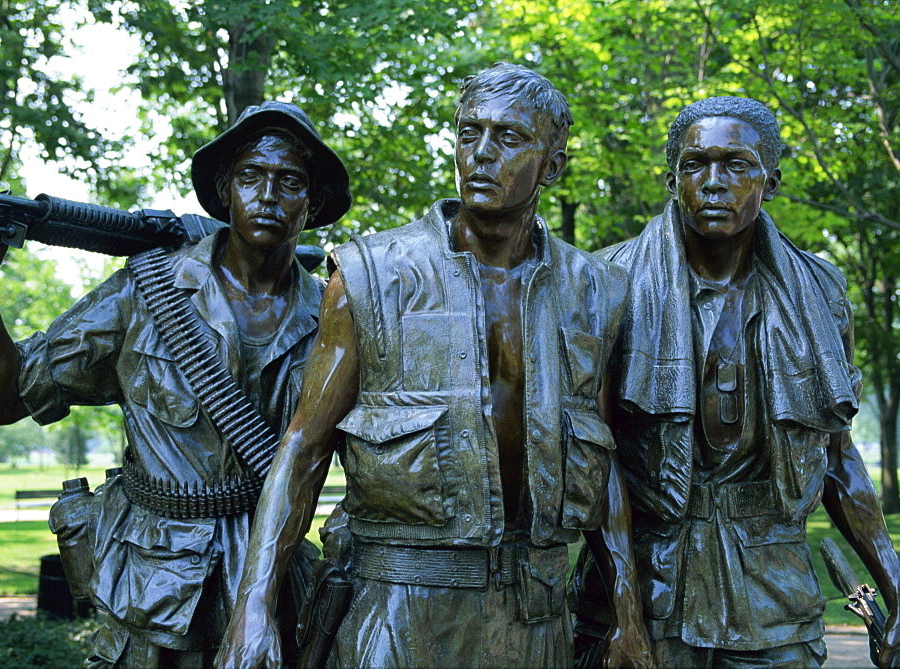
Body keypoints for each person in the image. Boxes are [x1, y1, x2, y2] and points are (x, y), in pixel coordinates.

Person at [216, 63, 652, 669]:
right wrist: (254, 606)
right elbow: (303, 447)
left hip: (535, 617)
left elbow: (599, 461)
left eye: (509, 137)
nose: (481, 153)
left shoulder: (597, 291)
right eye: (468, 133)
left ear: (552, 165)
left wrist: (627, 617)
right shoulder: (372, 276)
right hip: (398, 610)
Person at [0, 101, 351, 666]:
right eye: (250, 176)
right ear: (225, 190)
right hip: (152, 586)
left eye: (290, 181)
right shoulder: (146, 290)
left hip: (273, 578)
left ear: (315, 202)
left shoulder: (337, 315)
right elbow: (5, 399)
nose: (268, 196)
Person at [580, 96, 900, 667]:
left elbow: (835, 454)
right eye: (695, 165)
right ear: (672, 179)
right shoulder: (607, 283)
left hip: (774, 594)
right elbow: (595, 459)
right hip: (649, 585)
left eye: (736, 164)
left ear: (771, 179)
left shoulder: (821, 294)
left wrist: (899, 593)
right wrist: (626, 616)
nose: (714, 183)